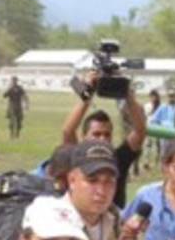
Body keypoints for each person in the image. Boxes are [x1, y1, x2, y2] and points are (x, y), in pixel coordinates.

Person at [60, 75, 147, 208]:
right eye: (96, 134)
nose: (102, 139)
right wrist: (87, 95)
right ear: (83, 137)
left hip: (113, 223)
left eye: (107, 134)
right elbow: (68, 132)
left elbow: (140, 131)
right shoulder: (77, 157)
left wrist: (127, 93)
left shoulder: (118, 158)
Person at [61, 140, 122, 240]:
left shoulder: (113, 219)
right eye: (92, 180)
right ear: (72, 180)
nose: (101, 191)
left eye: (109, 182)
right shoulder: (54, 226)